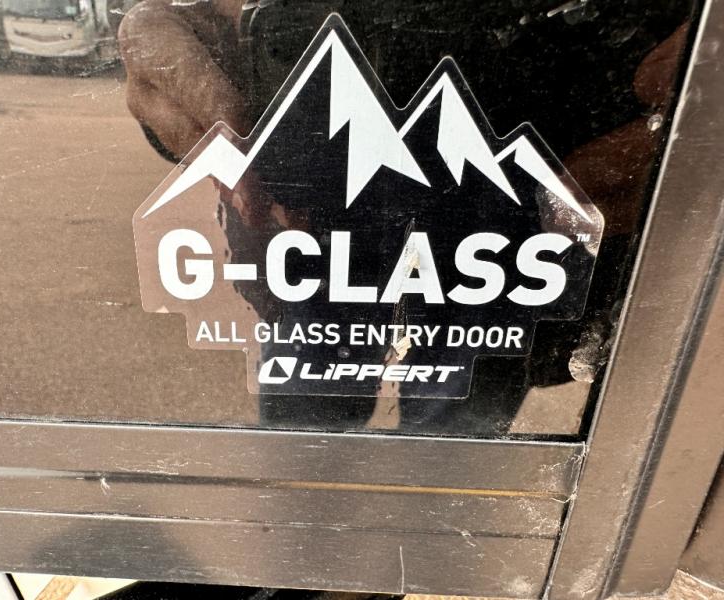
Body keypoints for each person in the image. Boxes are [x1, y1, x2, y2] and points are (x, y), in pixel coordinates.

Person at [119, 0, 691, 435]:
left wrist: (691, 99)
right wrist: (182, 27)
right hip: (334, 211)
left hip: (505, 210)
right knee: (332, 421)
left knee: (438, 429)